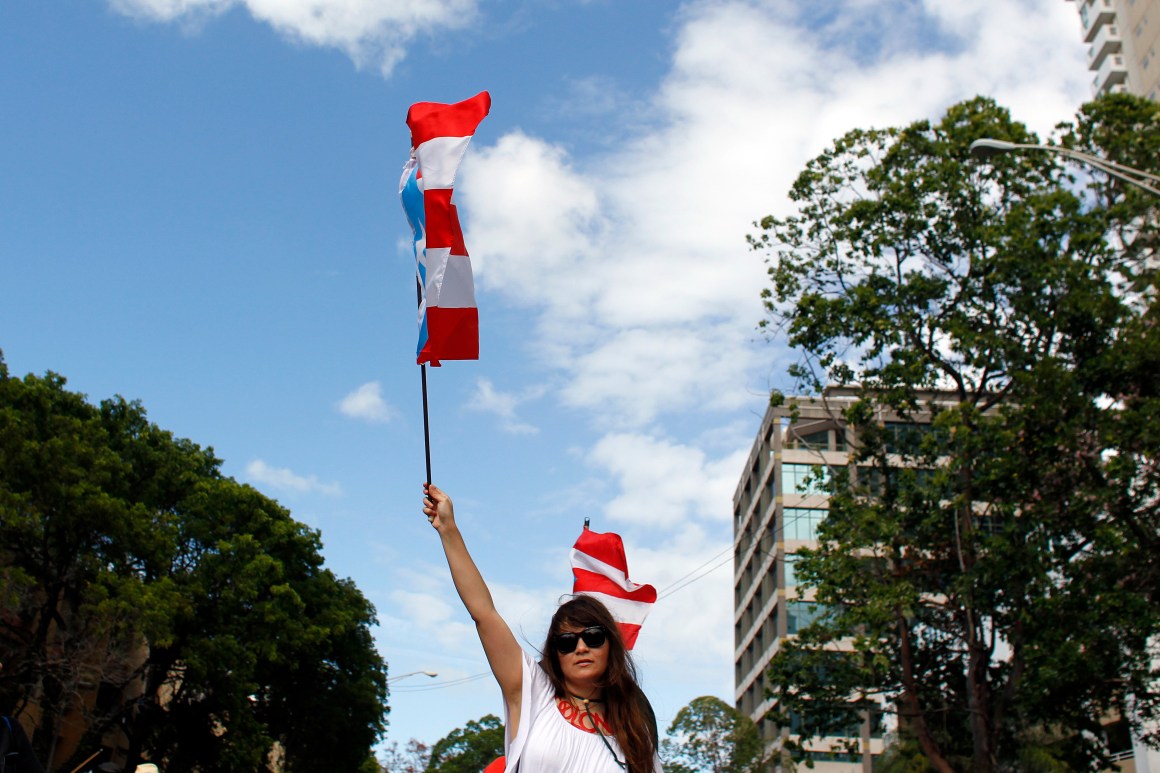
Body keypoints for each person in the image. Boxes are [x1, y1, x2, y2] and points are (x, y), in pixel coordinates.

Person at [423, 483, 662, 773]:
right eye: (566, 642)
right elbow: (484, 614)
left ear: (610, 644)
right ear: (555, 652)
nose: (581, 647)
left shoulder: (636, 731)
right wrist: (448, 530)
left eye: (593, 637)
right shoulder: (532, 692)